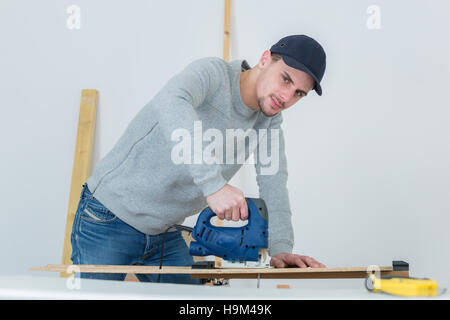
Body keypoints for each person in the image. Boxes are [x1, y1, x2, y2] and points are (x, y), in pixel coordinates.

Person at [70, 35, 327, 284]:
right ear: (264, 59)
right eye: (285, 80)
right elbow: (171, 100)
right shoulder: (213, 74)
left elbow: (274, 181)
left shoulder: (269, 120)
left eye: (298, 93)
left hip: (165, 231)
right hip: (109, 218)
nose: (286, 97)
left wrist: (280, 247)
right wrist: (213, 184)